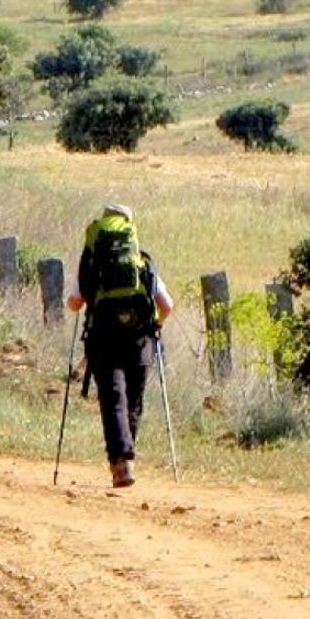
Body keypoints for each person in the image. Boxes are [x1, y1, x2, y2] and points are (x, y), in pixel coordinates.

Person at [66, 204, 173, 488]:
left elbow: (75, 302)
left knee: (113, 399)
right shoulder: (142, 263)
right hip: (139, 338)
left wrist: (82, 303)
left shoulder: (95, 262)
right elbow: (167, 305)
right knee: (133, 402)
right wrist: (156, 326)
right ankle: (126, 462)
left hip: (103, 336)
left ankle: (120, 463)